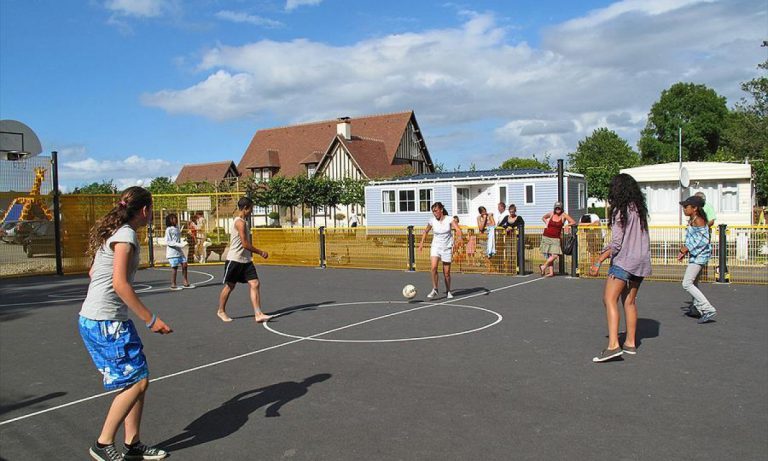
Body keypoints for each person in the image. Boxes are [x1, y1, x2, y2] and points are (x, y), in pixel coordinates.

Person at [78, 186, 172, 461]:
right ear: (144, 211)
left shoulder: (114, 232)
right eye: (151, 210)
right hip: (105, 321)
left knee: (137, 378)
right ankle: (102, 443)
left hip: (107, 319)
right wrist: (150, 319)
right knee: (137, 383)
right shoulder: (126, 234)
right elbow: (119, 284)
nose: (151, 214)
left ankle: (133, 444)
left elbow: (94, 271)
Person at [589, 174, 651, 362]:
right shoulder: (639, 210)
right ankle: (630, 343)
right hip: (641, 261)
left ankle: (613, 345)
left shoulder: (620, 211)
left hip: (624, 261)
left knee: (609, 299)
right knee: (629, 301)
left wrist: (599, 260)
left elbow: (616, 243)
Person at [217, 197, 273, 323]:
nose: (252, 212)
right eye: (251, 209)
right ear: (245, 208)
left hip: (246, 260)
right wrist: (260, 252)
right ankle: (221, 311)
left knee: (255, 283)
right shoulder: (240, 223)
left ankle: (258, 314)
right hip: (235, 260)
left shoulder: (244, 222)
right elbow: (245, 244)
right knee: (230, 286)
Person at [678, 195, 717, 324]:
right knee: (693, 283)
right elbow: (693, 238)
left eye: (686, 207)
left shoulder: (699, 220)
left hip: (699, 257)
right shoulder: (693, 219)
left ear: (694, 208)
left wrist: (686, 248)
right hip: (697, 255)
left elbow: (703, 240)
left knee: (687, 283)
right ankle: (697, 309)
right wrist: (685, 250)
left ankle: (707, 308)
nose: (684, 209)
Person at [418, 202, 463, 299]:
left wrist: (458, 240)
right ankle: (435, 289)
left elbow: (458, 230)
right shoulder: (432, 221)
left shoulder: (449, 219)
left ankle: (448, 291)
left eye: (436, 211)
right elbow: (426, 231)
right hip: (435, 247)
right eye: (433, 211)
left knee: (446, 273)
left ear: (441, 210)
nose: (435, 213)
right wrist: (421, 243)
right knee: (433, 268)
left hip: (446, 248)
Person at [539, 202, 576, 277]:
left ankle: (543, 266)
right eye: (556, 208)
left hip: (556, 238)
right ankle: (551, 272)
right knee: (550, 255)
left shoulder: (564, 215)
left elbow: (573, 222)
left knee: (555, 255)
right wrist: (546, 221)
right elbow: (543, 217)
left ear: (561, 208)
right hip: (546, 236)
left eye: (559, 208)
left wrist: (567, 225)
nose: (557, 209)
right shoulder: (551, 213)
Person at [165, 213, 195, 290]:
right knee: (174, 267)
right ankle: (173, 284)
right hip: (172, 252)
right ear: (169, 220)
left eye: (175, 218)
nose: (175, 220)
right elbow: (168, 242)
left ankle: (185, 281)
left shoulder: (177, 227)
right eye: (173, 219)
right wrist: (179, 244)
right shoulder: (168, 230)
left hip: (179, 251)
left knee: (184, 264)